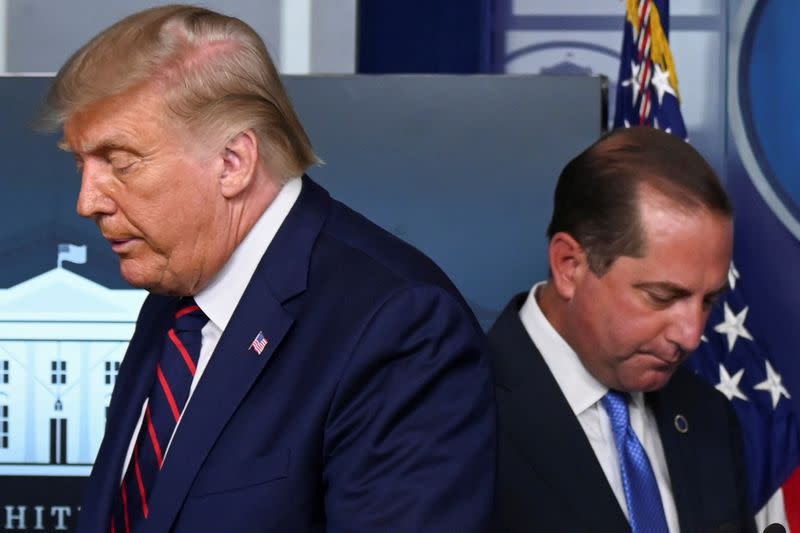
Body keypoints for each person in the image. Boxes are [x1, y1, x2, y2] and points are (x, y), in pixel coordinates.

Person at [41, 6, 495, 532]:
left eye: (119, 162)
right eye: (81, 164)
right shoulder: (174, 291)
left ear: (233, 162)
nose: (86, 201)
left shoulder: (402, 325)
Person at [489, 127, 756, 532]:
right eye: (662, 296)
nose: (690, 335)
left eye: (708, 301)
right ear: (569, 266)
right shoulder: (461, 411)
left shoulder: (708, 416)